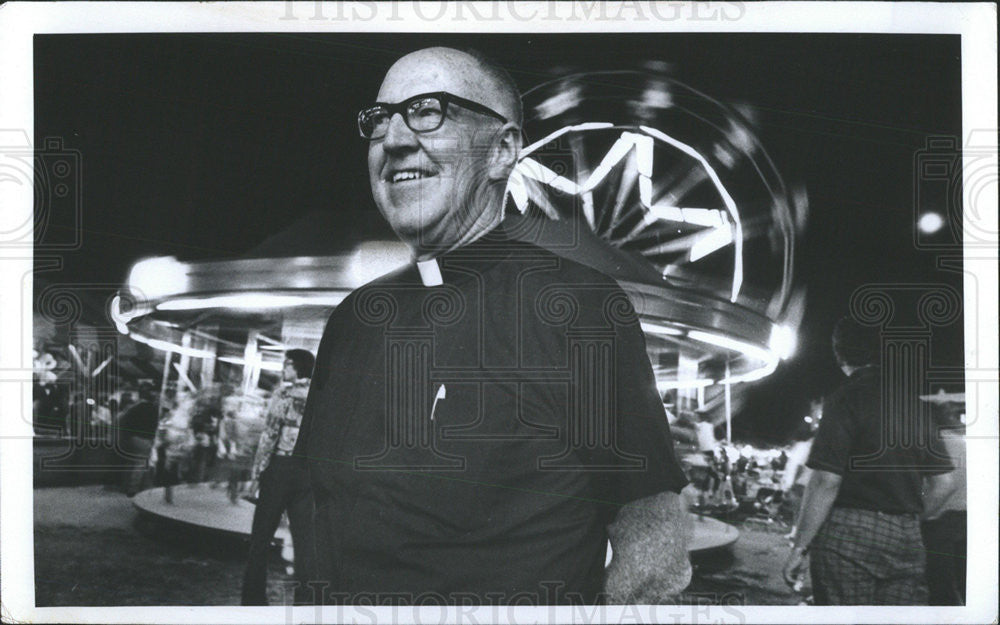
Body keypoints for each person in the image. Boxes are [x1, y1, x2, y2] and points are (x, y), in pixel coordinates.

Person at [294, 47, 691, 606]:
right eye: (379, 119)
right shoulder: (353, 319)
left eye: (429, 110)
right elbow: (315, 497)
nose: (395, 139)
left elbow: (650, 531)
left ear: (503, 150)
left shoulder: (579, 308)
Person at [782, 317, 954, 605]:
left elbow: (826, 481)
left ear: (839, 353)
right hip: (907, 537)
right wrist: (907, 518)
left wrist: (799, 547)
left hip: (849, 533)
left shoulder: (846, 398)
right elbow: (945, 483)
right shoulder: (916, 406)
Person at [241, 349, 317, 606]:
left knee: (260, 537)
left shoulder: (285, 393)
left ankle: (253, 599)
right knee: (305, 542)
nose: (284, 369)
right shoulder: (322, 396)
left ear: (298, 368)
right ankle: (305, 601)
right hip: (308, 473)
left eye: (287, 365)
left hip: (280, 468)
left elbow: (270, 435)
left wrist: (256, 473)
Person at [920, 395, 966, 605]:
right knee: (966, 586)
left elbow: (939, 487)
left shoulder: (933, 445)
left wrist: (920, 516)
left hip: (938, 522)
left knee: (940, 588)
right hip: (966, 520)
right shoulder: (963, 443)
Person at [117, 383, 160, 496]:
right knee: (140, 464)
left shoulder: (134, 407)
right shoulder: (152, 408)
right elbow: (155, 424)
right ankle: (133, 489)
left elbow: (124, 422)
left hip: (133, 438)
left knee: (131, 462)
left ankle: (125, 486)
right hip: (144, 438)